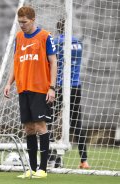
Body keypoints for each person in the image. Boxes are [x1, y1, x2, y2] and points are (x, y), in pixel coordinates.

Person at [4, 6, 57, 178]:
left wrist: (52, 87)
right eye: (19, 22)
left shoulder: (45, 36)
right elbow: (16, 61)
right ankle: (32, 169)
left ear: (33, 19)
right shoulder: (18, 37)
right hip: (23, 88)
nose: (22, 25)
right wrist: (8, 83)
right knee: (28, 128)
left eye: (24, 22)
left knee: (40, 126)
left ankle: (43, 169)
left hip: (40, 88)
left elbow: (54, 62)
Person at [48, 19, 89, 169]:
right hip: (76, 87)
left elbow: (51, 61)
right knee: (76, 122)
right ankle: (84, 160)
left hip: (59, 87)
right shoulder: (78, 43)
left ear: (58, 28)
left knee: (48, 119)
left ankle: (51, 156)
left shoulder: (56, 42)